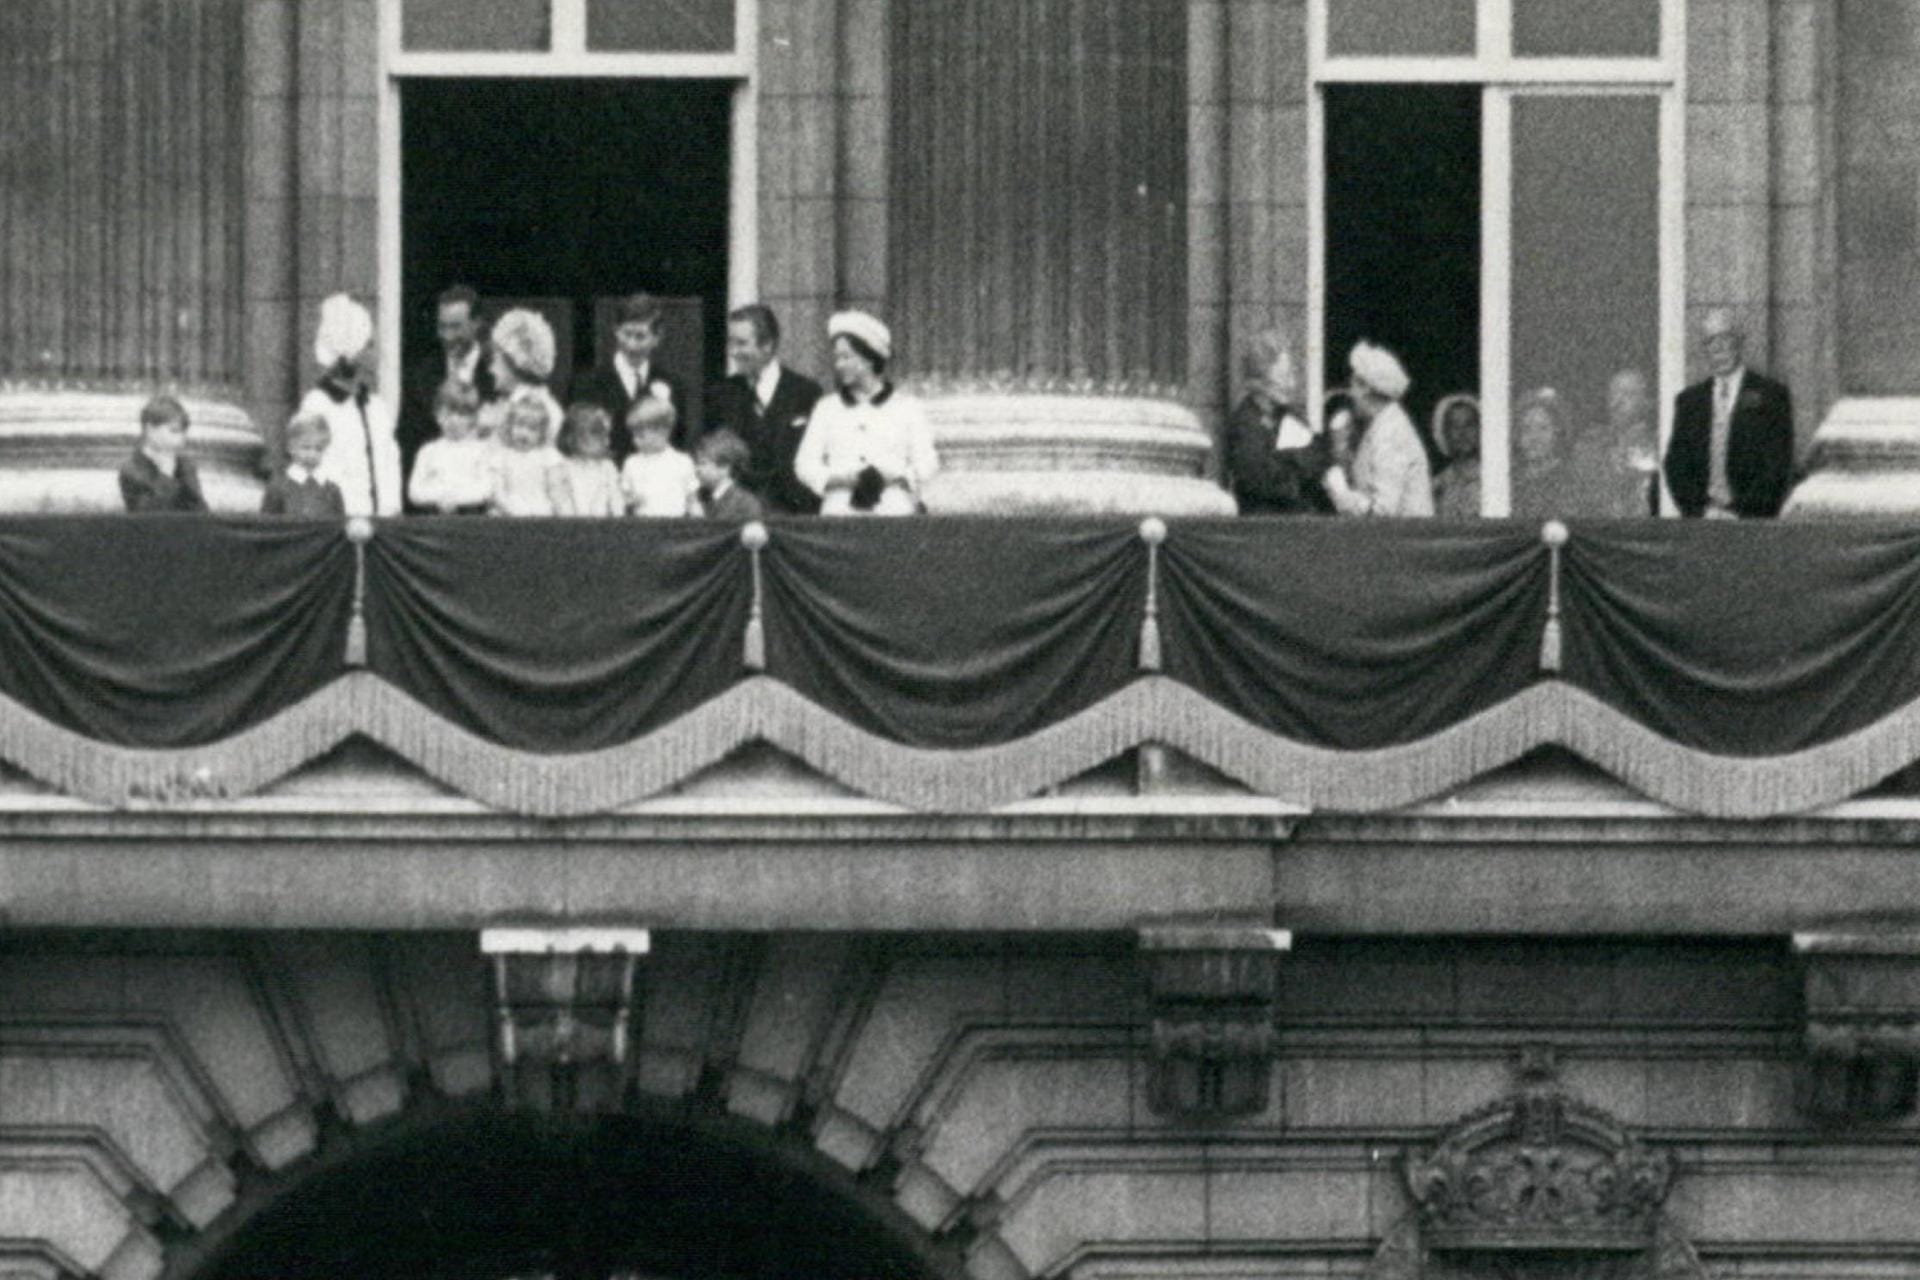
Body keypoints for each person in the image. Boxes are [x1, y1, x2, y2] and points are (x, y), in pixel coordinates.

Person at [795, 311, 939, 517]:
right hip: (840, 513)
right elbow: (805, 464)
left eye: (846, 357)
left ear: (869, 358)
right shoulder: (827, 408)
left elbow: (928, 462)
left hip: (894, 514)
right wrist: (841, 479)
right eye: (837, 358)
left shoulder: (908, 408)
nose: (839, 365)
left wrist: (895, 476)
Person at [1663, 308, 1794, 519]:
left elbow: (1777, 465)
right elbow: (1676, 465)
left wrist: (1741, 513)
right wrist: (1701, 511)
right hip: (1701, 524)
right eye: (1711, 341)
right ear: (1704, 349)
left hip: (1752, 525)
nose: (1720, 349)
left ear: (1739, 342)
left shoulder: (1771, 396)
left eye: (1726, 338)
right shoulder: (1689, 402)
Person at [702, 304, 824, 514]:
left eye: (741, 344)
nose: (733, 352)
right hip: (736, 515)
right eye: (731, 343)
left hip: (793, 516)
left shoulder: (806, 393)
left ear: (767, 344)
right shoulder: (720, 394)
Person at [299, 294, 402, 517]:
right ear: (351, 353)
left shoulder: (376, 406)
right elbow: (318, 467)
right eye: (369, 345)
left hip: (383, 528)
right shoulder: (318, 404)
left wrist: (391, 509)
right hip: (340, 525)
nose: (376, 353)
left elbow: (388, 463)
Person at [400, 284, 497, 500]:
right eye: (442, 327)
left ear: (476, 323)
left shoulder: (497, 373)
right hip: (433, 508)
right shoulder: (421, 374)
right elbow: (409, 443)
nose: (447, 336)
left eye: (455, 327)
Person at [1224, 329, 1331, 515]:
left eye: (1291, 375)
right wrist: (1296, 462)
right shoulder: (1246, 423)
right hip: (1265, 526)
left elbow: (1317, 460)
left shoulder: (1291, 416)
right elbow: (1257, 480)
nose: (1292, 385)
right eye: (1284, 376)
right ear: (1259, 380)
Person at [1323, 341, 1432, 517]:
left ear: (1365, 388)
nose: (1350, 394)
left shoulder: (1392, 432)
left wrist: (1341, 493)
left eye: (1353, 386)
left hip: (1405, 540)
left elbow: (1383, 511)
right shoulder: (1380, 427)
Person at [576, 292, 689, 460]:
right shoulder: (587, 383)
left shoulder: (672, 384)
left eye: (640, 336)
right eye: (626, 334)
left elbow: (678, 440)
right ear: (615, 331)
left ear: (657, 338)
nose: (631, 345)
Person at [409, 380, 496, 514]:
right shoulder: (428, 451)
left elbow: (486, 489)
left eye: (462, 414)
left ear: (473, 418)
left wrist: (456, 498)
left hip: (472, 518)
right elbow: (415, 491)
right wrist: (440, 497)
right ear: (437, 414)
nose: (454, 420)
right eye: (448, 413)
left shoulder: (482, 450)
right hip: (434, 518)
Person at [482, 308, 566, 447]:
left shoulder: (535, 411)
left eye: (495, 359)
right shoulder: (511, 403)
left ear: (514, 362)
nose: (491, 369)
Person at [119, 394, 208, 513]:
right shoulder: (132, 470)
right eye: (174, 431)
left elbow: (202, 512)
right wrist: (165, 475)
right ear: (150, 430)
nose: (181, 438)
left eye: (183, 432)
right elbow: (146, 516)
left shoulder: (185, 465)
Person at [620, 395, 699, 517]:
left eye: (641, 436)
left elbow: (692, 501)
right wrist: (631, 500)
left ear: (663, 431)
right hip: (642, 527)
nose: (635, 440)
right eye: (633, 435)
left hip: (676, 526)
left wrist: (701, 524)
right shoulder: (631, 463)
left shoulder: (682, 462)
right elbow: (623, 498)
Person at [488, 398, 566, 517]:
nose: (524, 434)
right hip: (509, 510)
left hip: (541, 511)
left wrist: (554, 510)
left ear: (542, 433)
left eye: (532, 429)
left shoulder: (548, 456)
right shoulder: (501, 456)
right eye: (519, 426)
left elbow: (556, 491)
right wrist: (512, 509)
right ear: (510, 426)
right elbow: (497, 492)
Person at [260, 413, 346, 517]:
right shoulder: (278, 487)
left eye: (319, 449)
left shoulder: (332, 491)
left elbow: (339, 526)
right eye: (306, 447)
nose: (312, 454)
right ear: (291, 448)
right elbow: (267, 526)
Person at [554, 403, 624, 518]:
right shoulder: (563, 468)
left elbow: (616, 499)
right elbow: (561, 503)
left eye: (607, 435)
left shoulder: (608, 467)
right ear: (574, 436)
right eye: (598, 435)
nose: (607, 442)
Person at [1511, 387, 1566, 518]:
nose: (1534, 438)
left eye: (1543, 428)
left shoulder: (1570, 479)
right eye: (1526, 429)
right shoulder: (1511, 480)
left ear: (1557, 433)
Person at [694, 429, 766, 521]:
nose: (697, 469)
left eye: (702, 463)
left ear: (724, 467)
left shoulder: (745, 505)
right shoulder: (698, 497)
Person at [1430, 393, 1481, 519]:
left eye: (1469, 425)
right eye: (1454, 426)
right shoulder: (1437, 486)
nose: (1462, 432)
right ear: (1444, 432)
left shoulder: (1496, 480)